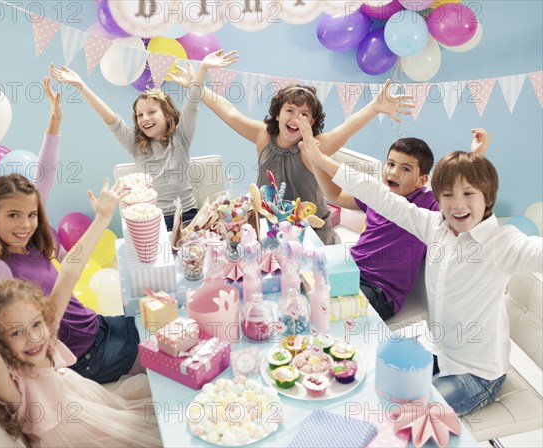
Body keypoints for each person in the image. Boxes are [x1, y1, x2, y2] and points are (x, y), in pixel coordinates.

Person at [299, 124, 543, 416]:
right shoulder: (434, 225)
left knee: (401, 418)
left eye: (469, 194)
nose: (458, 205)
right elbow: (378, 195)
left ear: (487, 198)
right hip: (440, 353)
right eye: (448, 195)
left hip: (479, 374)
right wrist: (319, 160)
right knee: (370, 388)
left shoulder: (502, 244)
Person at [0, 81, 142, 386]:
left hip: (97, 325)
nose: (25, 224)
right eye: (13, 216)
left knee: (158, 325)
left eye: (31, 215)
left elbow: (45, 175)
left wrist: (55, 119)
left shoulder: (30, 240)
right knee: (165, 354)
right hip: (88, 355)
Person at [0, 180, 162, 447]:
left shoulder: (46, 337)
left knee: (163, 381)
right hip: (85, 438)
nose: (32, 337)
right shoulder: (12, 388)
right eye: (15, 332)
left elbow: (69, 270)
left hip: (94, 407)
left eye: (35, 325)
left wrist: (102, 218)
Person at [172, 50, 413, 244]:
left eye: (304, 114)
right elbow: (229, 112)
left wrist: (374, 108)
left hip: (310, 231)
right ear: (277, 115)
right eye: (290, 110)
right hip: (267, 227)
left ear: (313, 122)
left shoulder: (316, 146)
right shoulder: (263, 136)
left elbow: (347, 128)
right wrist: (197, 86)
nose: (296, 117)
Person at [303, 118, 490, 320]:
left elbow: (457, 192)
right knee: (301, 290)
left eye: (405, 169)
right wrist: (316, 164)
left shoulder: (428, 205)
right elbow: (335, 196)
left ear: (422, 181)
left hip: (381, 291)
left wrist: (476, 155)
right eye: (391, 164)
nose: (394, 172)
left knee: (322, 314)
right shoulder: (378, 195)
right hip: (350, 270)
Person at [49, 58, 233, 230]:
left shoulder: (181, 137)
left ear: (167, 115)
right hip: (153, 220)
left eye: (151, 112)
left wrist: (203, 69)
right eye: (140, 115)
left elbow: (192, 102)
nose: (145, 118)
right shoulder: (135, 145)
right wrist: (82, 87)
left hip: (187, 216)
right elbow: (110, 119)